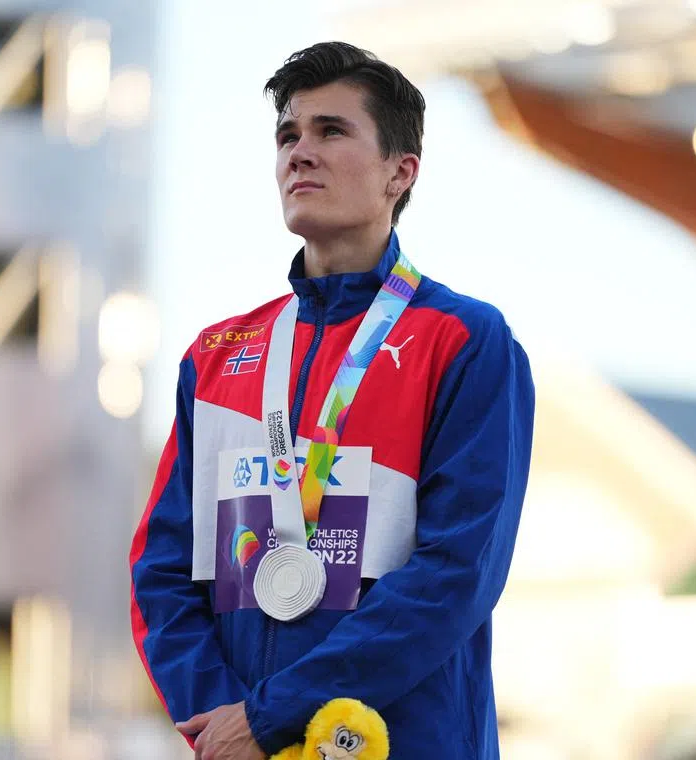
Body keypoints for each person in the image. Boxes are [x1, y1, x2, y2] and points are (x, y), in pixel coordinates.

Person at [129, 41, 535, 759]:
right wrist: (225, 722)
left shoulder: (466, 342)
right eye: (288, 134)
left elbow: (455, 576)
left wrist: (272, 716)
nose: (299, 153)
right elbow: (163, 570)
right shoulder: (216, 356)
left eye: (331, 131)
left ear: (399, 172)